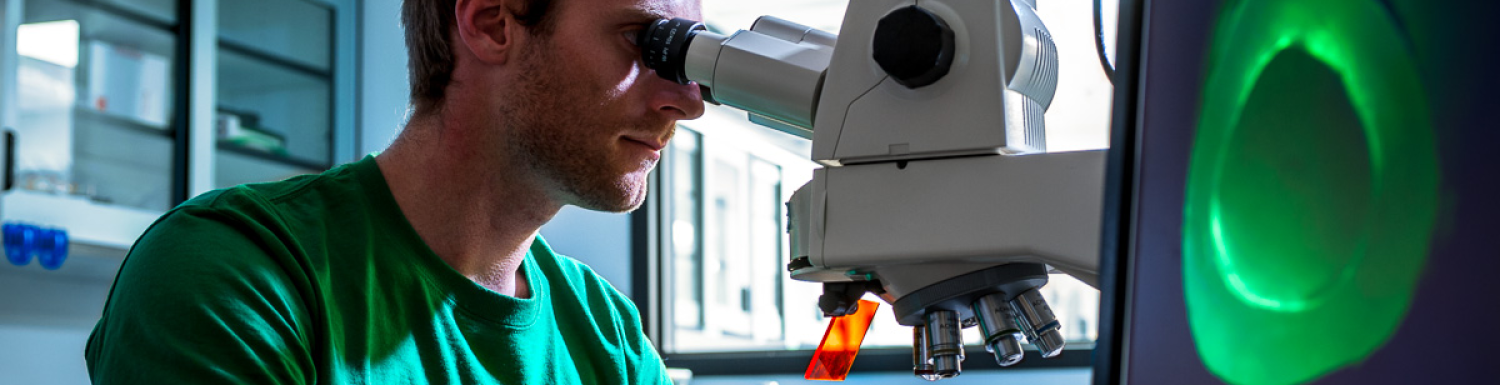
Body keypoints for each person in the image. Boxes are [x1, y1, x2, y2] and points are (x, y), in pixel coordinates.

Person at [83, 0, 705, 383]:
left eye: (687, 64)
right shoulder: (234, 274)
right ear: (491, 22)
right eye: (643, 41)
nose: (687, 101)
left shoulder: (606, 331)